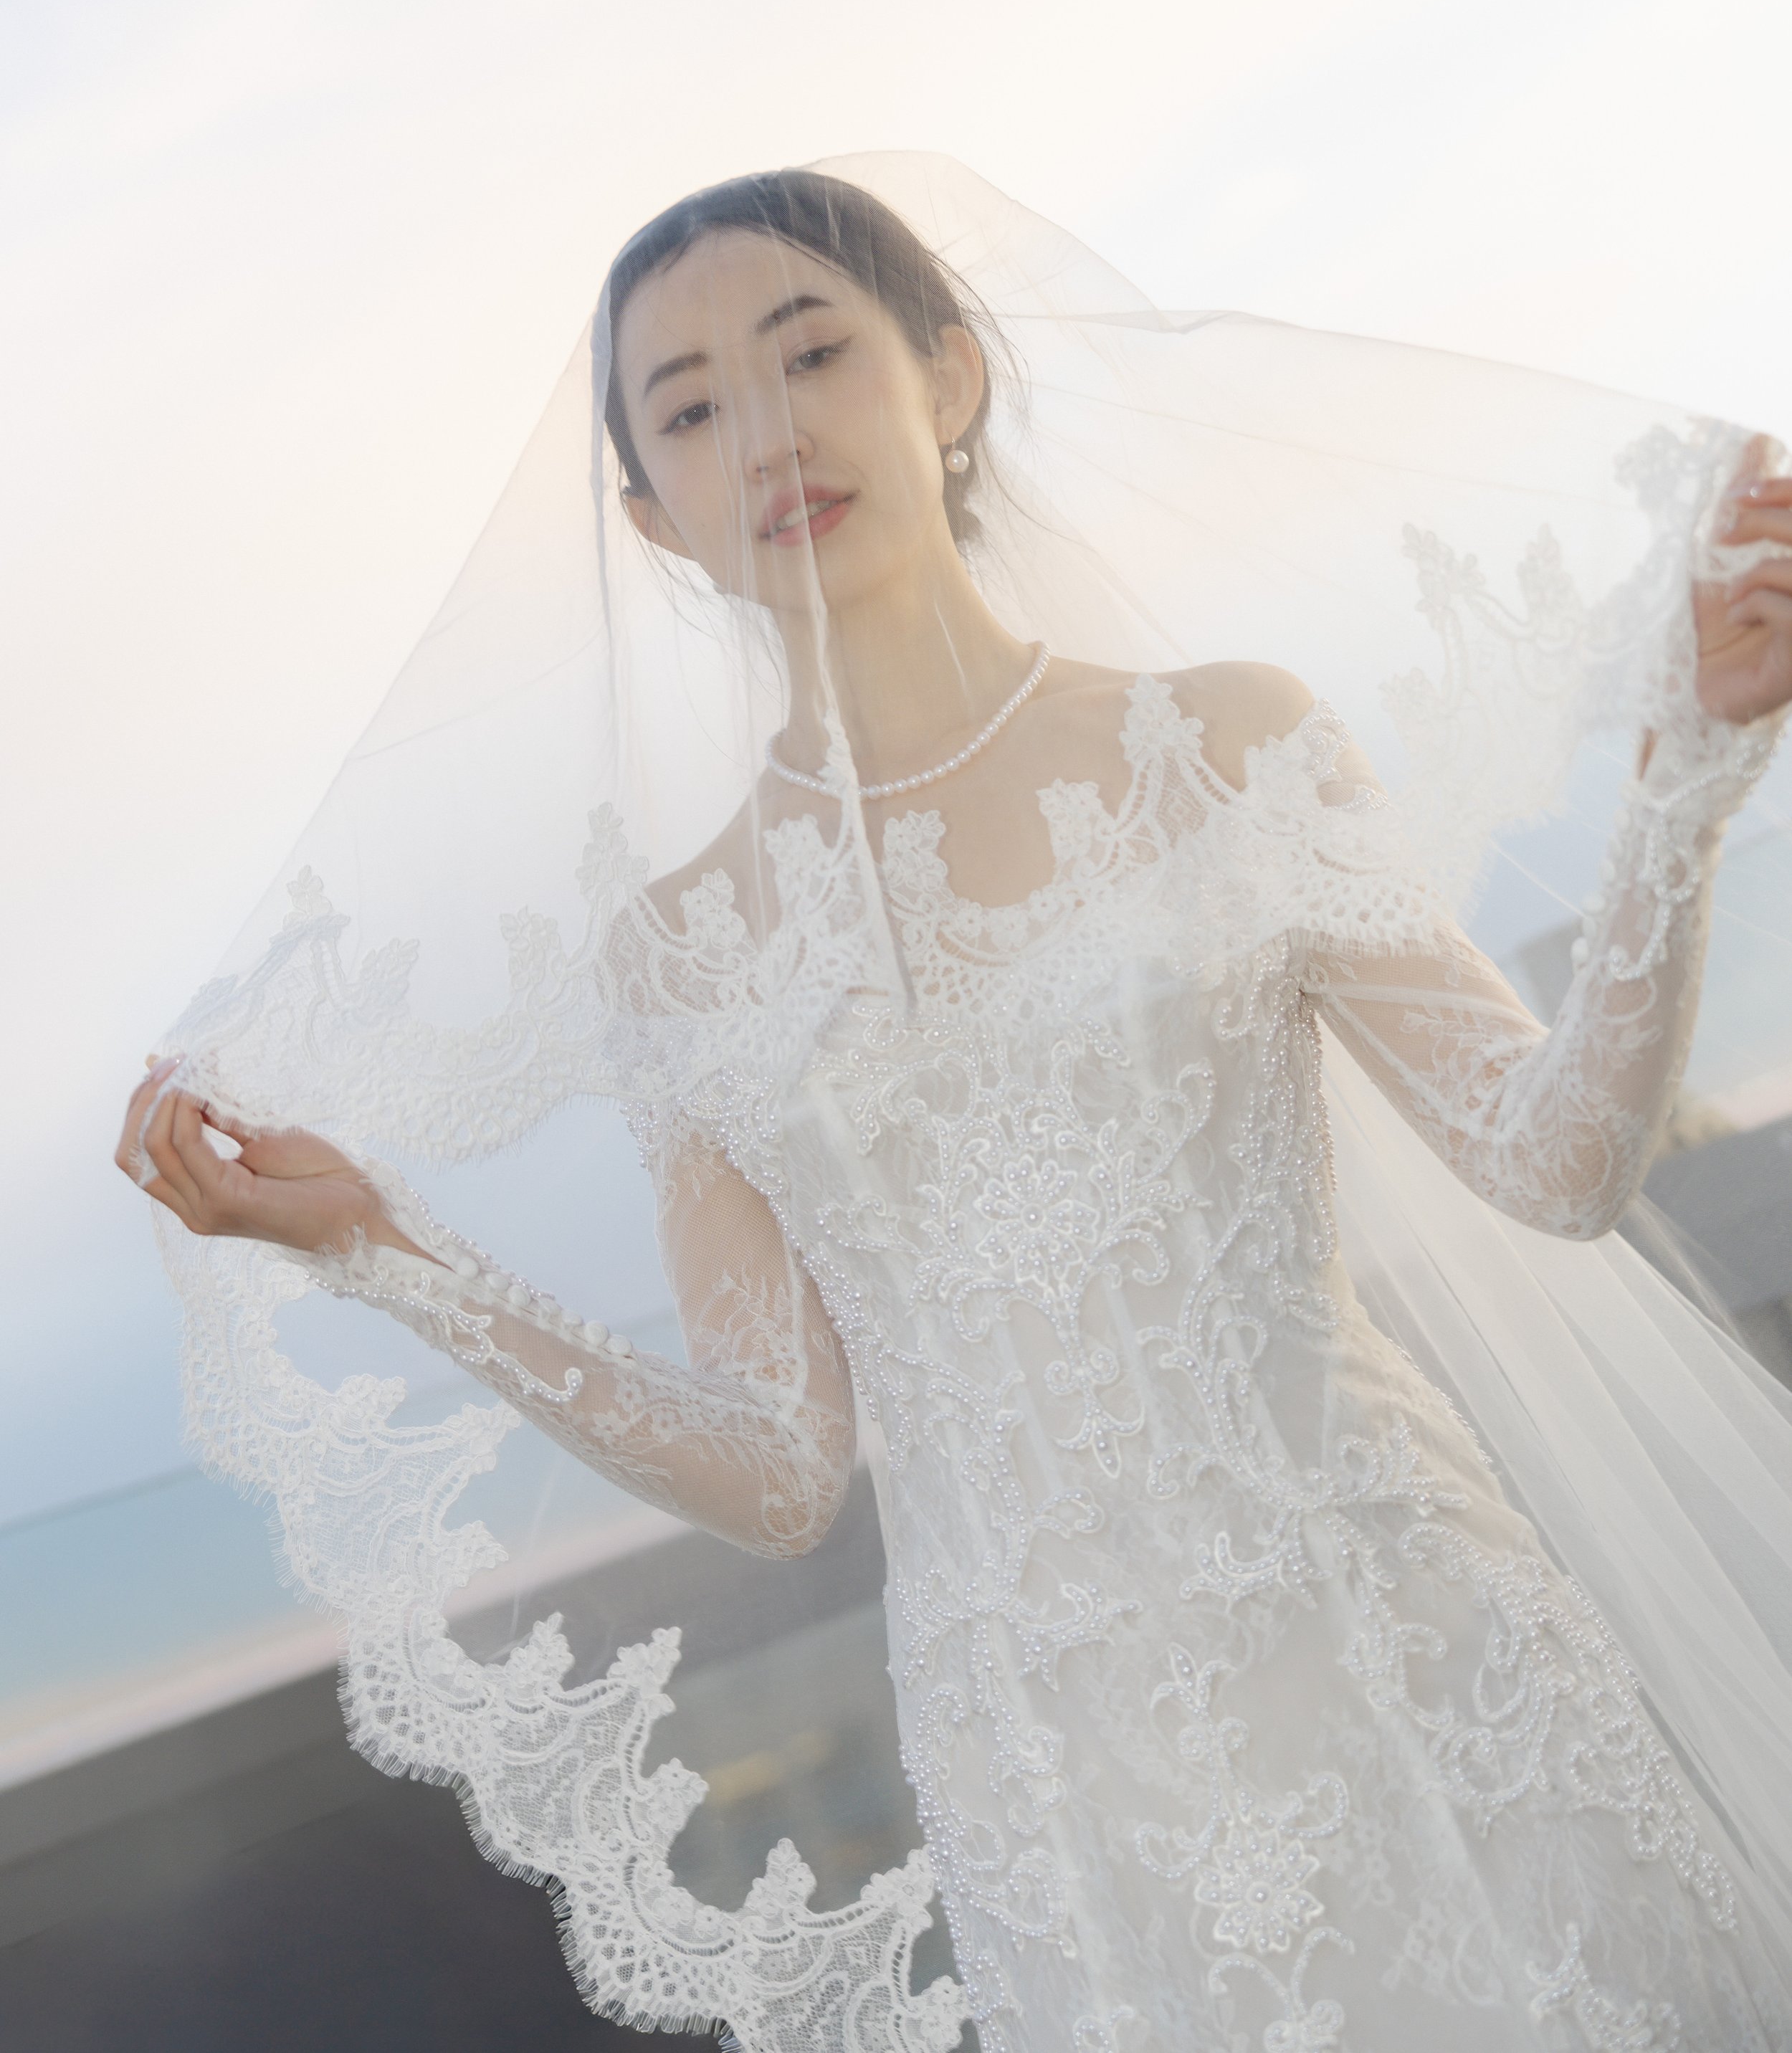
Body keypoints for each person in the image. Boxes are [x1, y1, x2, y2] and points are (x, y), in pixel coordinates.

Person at [116, 164, 1792, 2051]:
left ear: (952, 380)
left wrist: (1679, 794)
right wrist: (383, 1254)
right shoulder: (681, 953)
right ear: (649, 520)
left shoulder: (1224, 743)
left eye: (809, 349)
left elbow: (1550, 1162)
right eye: (687, 407)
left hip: (1412, 1651)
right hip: (1063, 1780)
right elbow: (776, 1475)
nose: (767, 428)